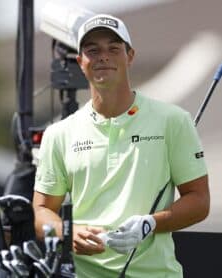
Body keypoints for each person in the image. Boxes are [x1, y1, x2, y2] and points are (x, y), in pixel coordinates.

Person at [33, 13, 210, 277]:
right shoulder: (59, 133)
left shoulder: (173, 121)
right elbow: (43, 210)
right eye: (93, 50)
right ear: (81, 62)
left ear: (130, 56)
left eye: (113, 49)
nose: (103, 56)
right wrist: (67, 233)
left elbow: (199, 200)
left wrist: (151, 223)